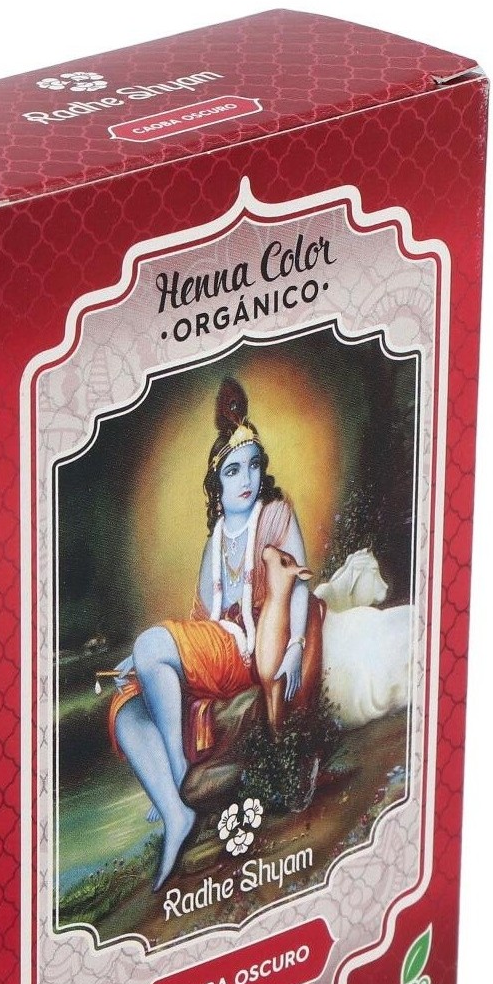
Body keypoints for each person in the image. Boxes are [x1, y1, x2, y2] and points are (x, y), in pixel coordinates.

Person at [110, 377, 321, 891]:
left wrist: (294, 647)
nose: (246, 478)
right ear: (216, 485)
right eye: (232, 470)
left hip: (254, 650)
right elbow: (201, 619)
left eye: (253, 465)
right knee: (126, 707)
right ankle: (176, 811)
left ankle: (177, 769)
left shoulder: (276, 515)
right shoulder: (215, 540)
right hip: (218, 649)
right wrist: (147, 662)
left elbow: (297, 588)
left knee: (150, 645)